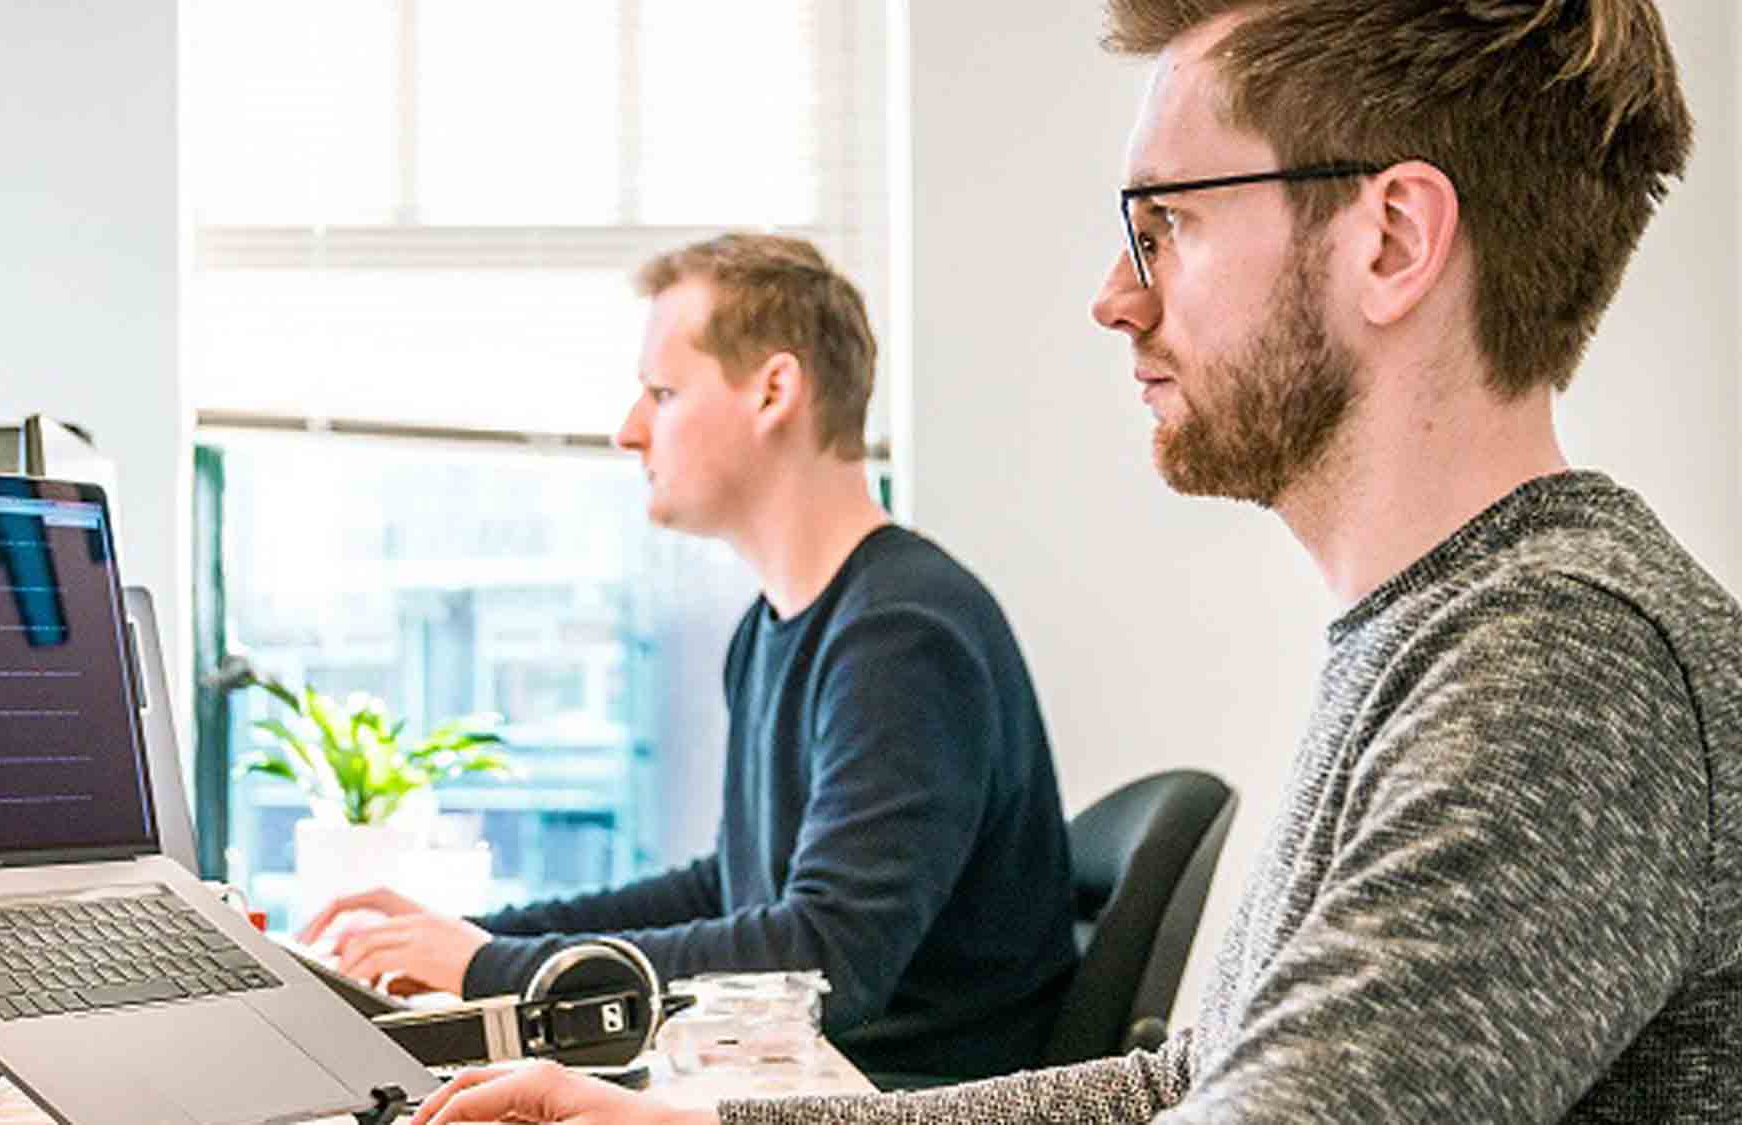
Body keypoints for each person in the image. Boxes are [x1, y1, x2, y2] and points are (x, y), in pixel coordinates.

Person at [405, 2, 1742, 1122]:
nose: (1116, 293)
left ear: (1390, 240)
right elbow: (1190, 1082)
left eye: (1165, 224)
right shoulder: (1441, 632)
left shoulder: (1560, 670)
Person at [301, 233, 1079, 1082]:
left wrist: (492, 971)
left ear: (774, 391)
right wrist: (481, 938)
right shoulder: (777, 627)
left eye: (663, 393)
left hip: (899, 1094)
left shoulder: (903, 635)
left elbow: (825, 961)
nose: (629, 431)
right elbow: (732, 890)